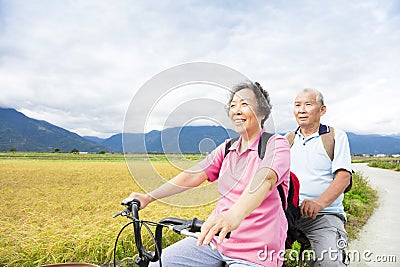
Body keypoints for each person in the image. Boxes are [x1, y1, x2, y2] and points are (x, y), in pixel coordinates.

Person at [124, 81, 290, 267]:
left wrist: (232, 216)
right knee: (158, 264)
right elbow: (193, 175)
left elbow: (266, 178)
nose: (236, 110)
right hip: (216, 242)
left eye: (244, 104)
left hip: (257, 251)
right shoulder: (228, 148)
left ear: (263, 113)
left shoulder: (276, 144)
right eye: (233, 105)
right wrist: (148, 197)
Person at [288, 88, 352, 266]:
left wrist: (319, 203)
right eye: (297, 105)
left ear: (322, 110)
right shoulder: (286, 140)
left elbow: (343, 177)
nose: (301, 110)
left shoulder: (335, 136)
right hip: (288, 214)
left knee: (330, 262)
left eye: (308, 104)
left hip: (324, 215)